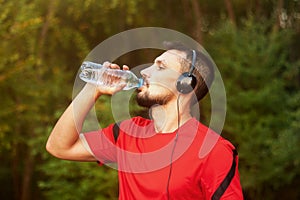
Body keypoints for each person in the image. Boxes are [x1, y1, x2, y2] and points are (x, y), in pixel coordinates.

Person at [46, 41, 244, 199]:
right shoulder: (126, 133)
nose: (144, 71)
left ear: (185, 83)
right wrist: (93, 89)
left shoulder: (213, 150)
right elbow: (59, 147)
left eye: (160, 66)